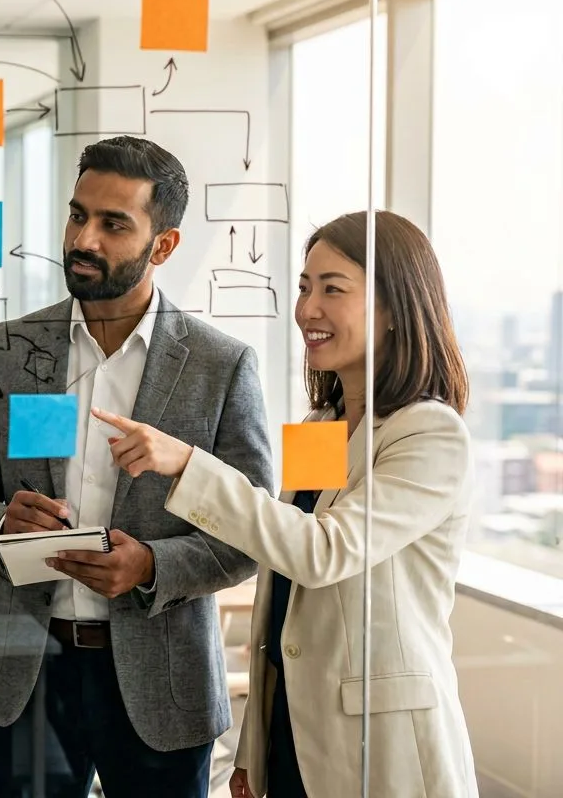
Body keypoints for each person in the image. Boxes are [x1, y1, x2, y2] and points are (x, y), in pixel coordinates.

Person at [0, 136, 272, 797]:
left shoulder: (219, 366)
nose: (83, 238)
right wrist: (2, 525)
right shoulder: (10, 350)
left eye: (113, 223)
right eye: (77, 214)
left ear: (163, 246)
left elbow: (249, 529)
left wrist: (152, 566)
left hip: (161, 678)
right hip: (29, 671)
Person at [102, 211, 476, 798]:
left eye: (333, 289)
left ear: (393, 310)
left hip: (380, 740)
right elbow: (281, 594)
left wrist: (189, 464)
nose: (308, 309)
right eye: (304, 287)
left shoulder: (429, 433)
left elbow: (322, 553)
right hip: (294, 729)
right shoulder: (320, 424)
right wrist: (254, 748)